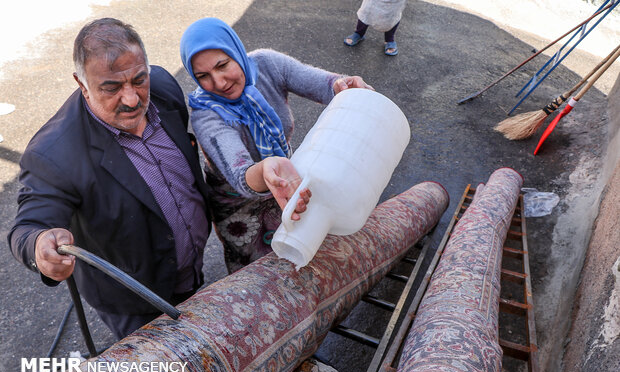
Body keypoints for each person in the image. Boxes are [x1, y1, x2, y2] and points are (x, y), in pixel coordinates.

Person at [7, 18, 211, 340]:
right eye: (111, 87)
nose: (131, 99)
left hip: (193, 268)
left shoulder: (162, 87)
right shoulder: (54, 153)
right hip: (135, 301)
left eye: (138, 79)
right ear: (82, 84)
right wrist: (39, 247)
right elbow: (27, 227)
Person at [180, 17, 373, 273]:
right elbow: (240, 174)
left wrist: (341, 84)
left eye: (223, 65)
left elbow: (323, 85)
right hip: (240, 205)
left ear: (235, 51)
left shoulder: (267, 65)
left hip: (287, 178)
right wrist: (266, 171)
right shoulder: (206, 114)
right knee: (256, 272)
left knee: (305, 253)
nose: (219, 83)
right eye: (203, 76)